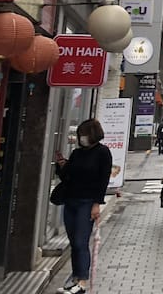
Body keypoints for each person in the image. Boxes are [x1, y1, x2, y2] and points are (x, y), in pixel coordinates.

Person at [53, 118, 112, 294]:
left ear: (92, 135)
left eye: (83, 134)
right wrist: (61, 165)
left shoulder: (103, 153)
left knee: (81, 241)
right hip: (71, 201)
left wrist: (97, 204)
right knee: (74, 242)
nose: (81, 138)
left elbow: (103, 180)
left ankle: (83, 281)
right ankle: (76, 278)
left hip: (87, 203)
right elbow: (67, 176)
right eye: (80, 135)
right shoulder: (77, 154)